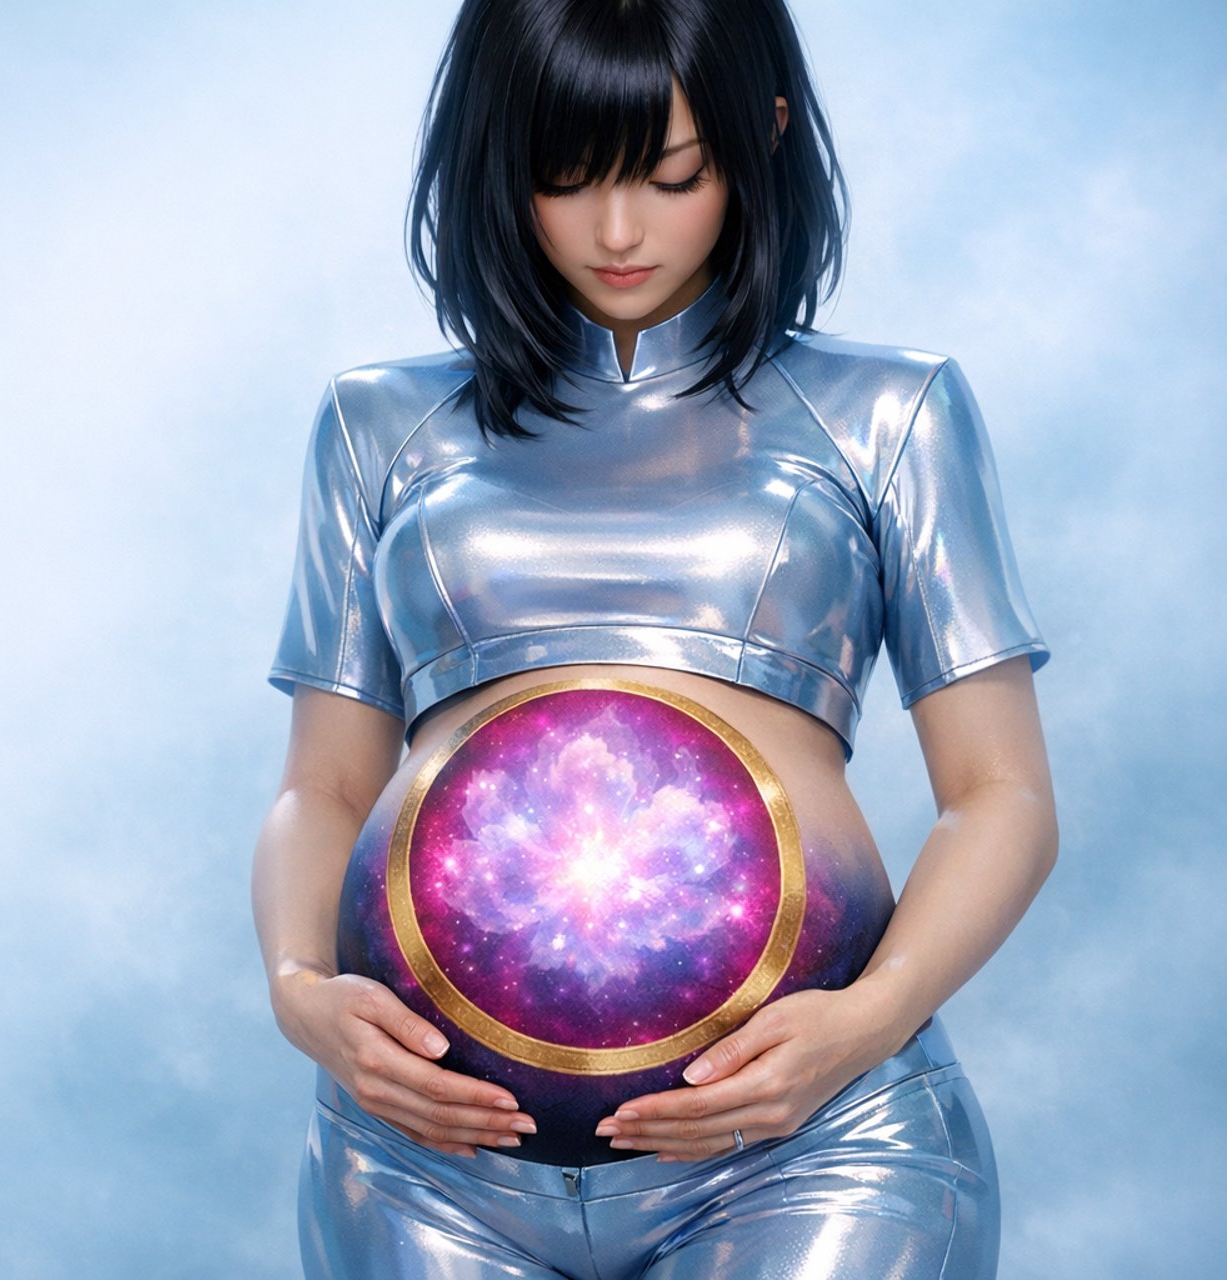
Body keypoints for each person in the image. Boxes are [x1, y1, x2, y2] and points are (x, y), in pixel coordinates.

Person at [250, 1, 1059, 1276]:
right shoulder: (375, 424)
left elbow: (1001, 794)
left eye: (672, 174)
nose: (617, 231)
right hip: (418, 1165)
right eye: (560, 178)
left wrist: (868, 1020)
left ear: (765, 135)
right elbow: (323, 783)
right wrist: (302, 992)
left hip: (819, 1143)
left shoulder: (889, 412)